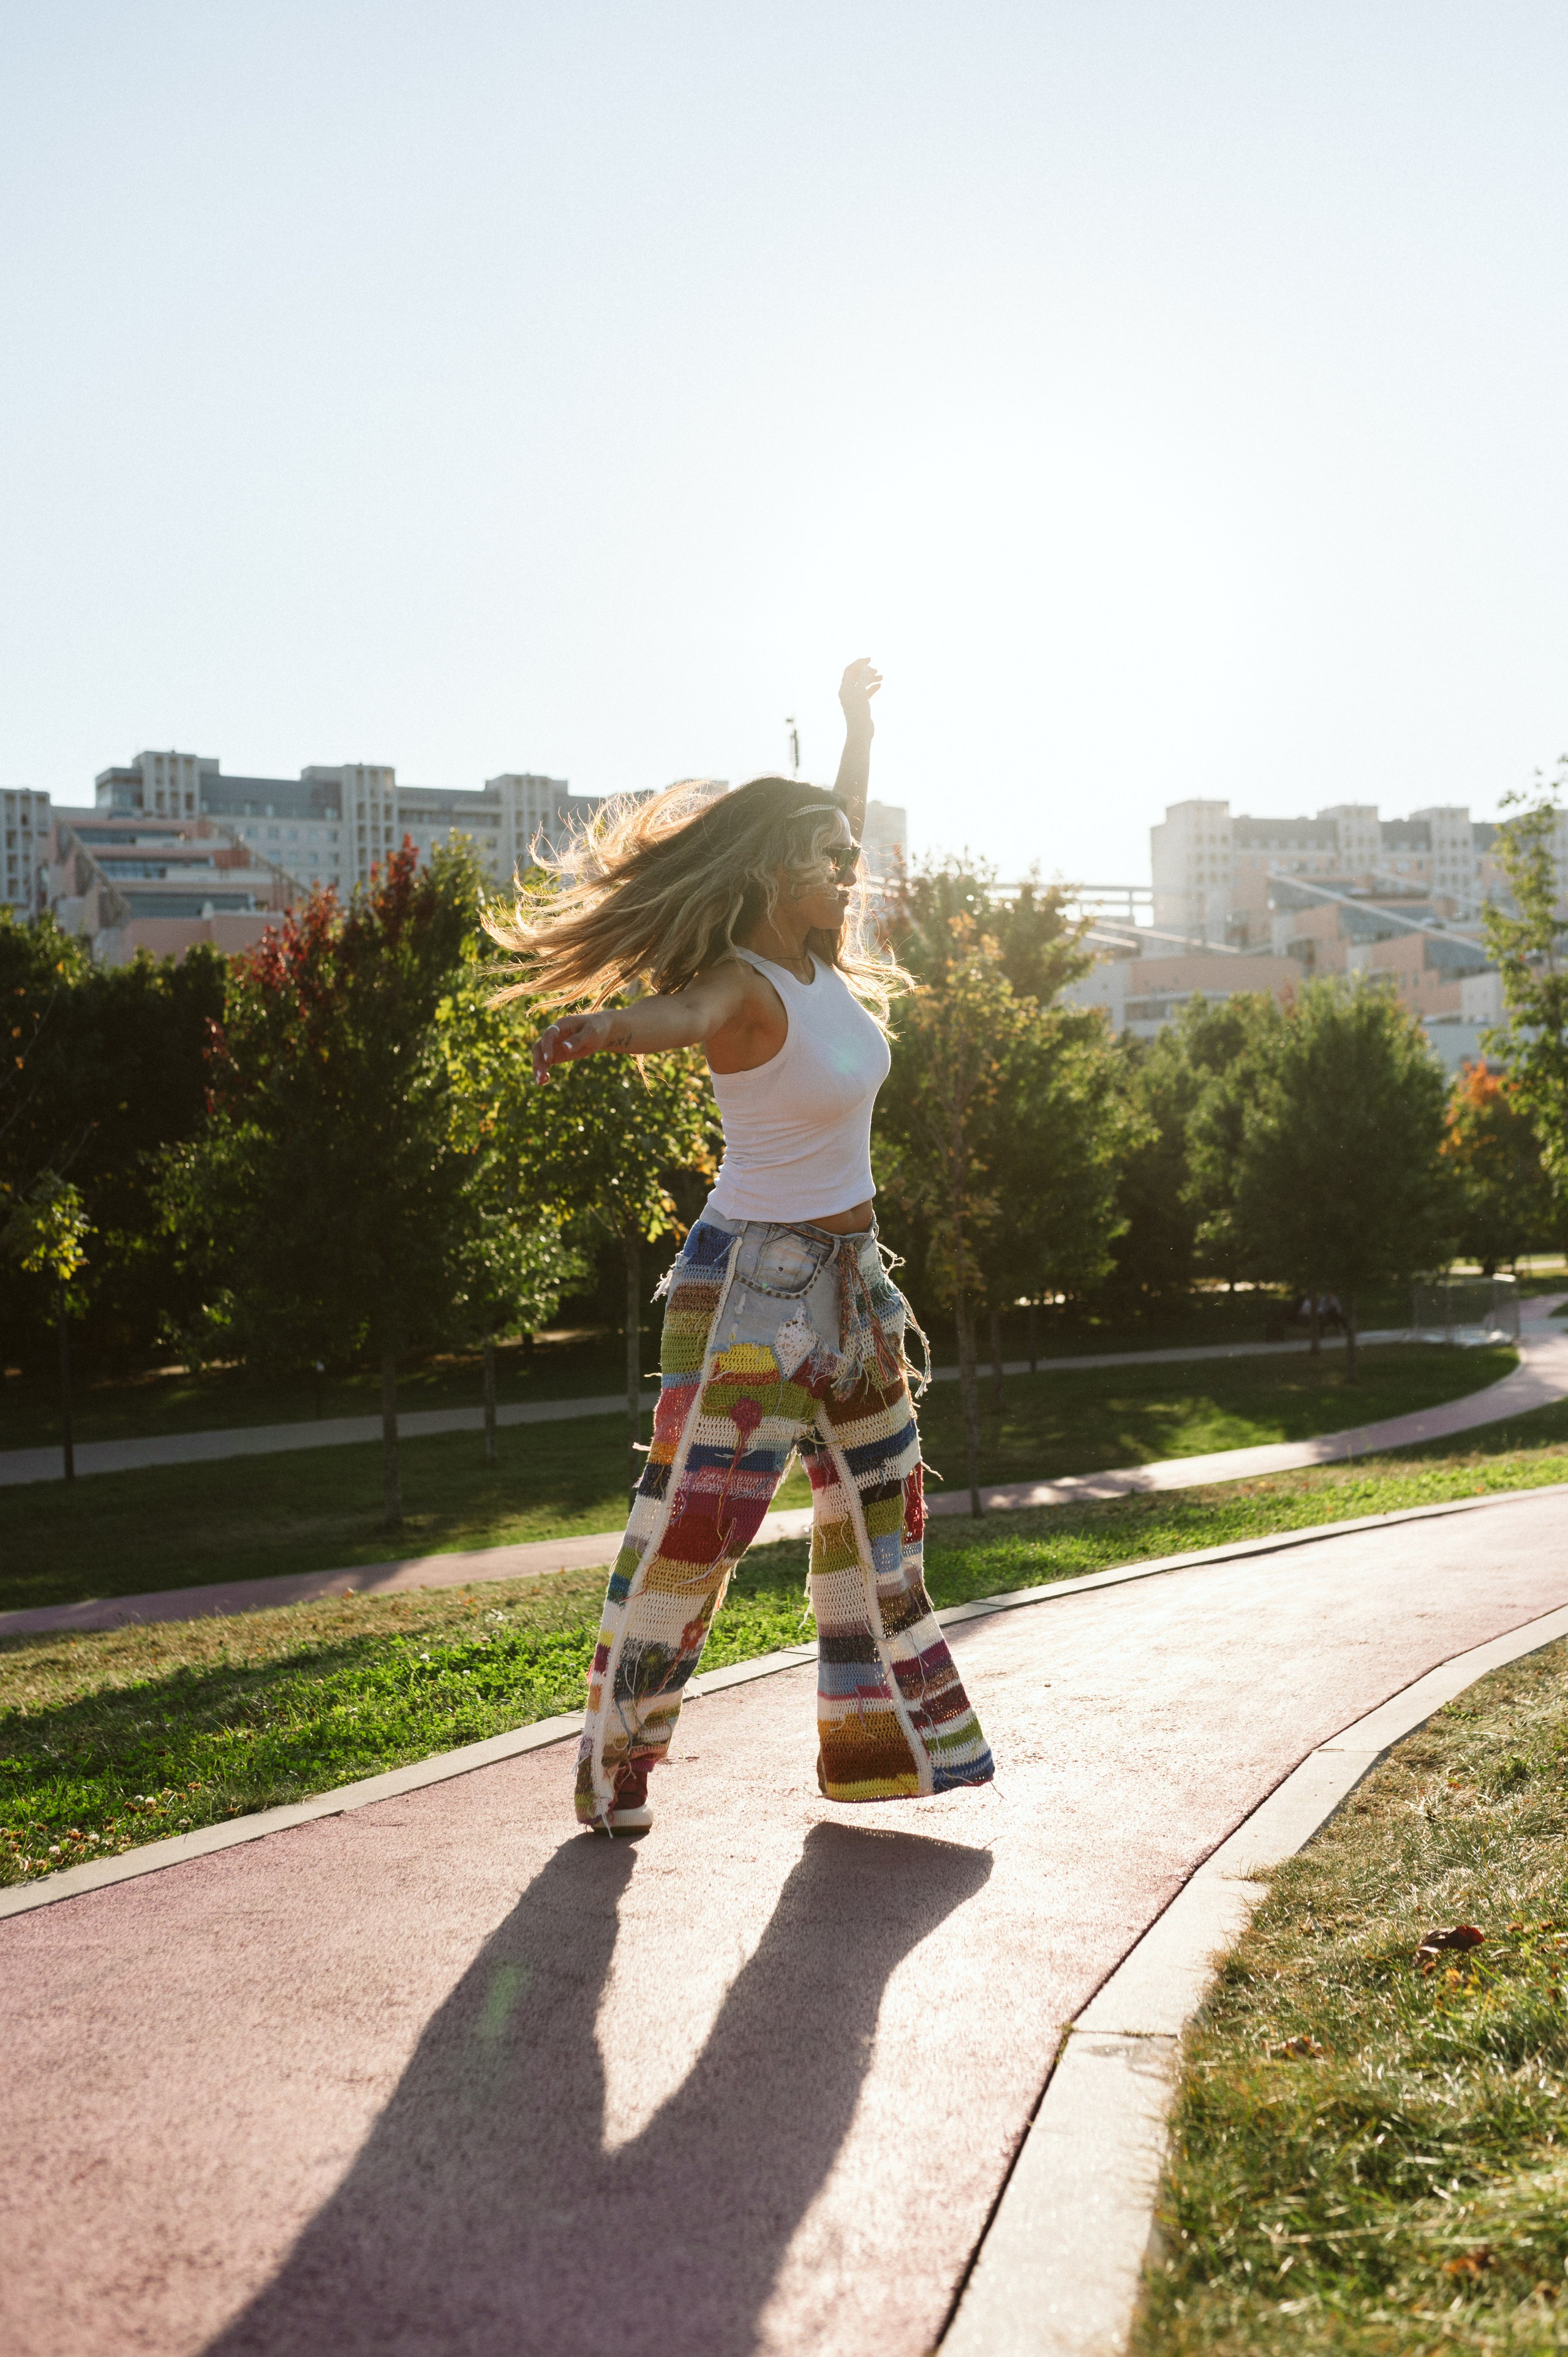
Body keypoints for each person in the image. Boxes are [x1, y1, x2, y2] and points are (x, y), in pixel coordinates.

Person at [486, 660, 995, 1834]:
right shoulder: (742, 983)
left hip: (855, 1288)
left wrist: (855, 730)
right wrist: (596, 1030)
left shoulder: (822, 960)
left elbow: (842, 820)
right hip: (750, 1293)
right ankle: (616, 1763)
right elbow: (675, 1021)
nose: (847, 868)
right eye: (826, 858)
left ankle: (887, 1754)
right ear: (775, 873)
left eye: (846, 854)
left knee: (885, 1516)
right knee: (697, 1531)